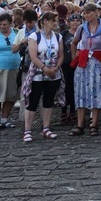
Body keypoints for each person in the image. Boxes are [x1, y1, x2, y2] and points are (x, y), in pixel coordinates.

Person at [20, 12, 64, 143]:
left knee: (49, 100)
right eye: (53, 21)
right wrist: (44, 69)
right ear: (45, 21)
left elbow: (60, 55)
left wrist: (55, 68)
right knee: (33, 100)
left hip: (53, 72)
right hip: (38, 73)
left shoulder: (58, 36)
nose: (55, 24)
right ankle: (27, 129)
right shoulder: (35, 36)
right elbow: (33, 56)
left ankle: (46, 127)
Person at [70, 2, 101, 136]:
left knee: (96, 91)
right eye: (84, 13)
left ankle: (94, 123)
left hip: (97, 64)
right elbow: (74, 43)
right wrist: (75, 57)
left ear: (96, 13)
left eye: (88, 13)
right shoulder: (82, 28)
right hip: (83, 64)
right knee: (81, 92)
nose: (86, 16)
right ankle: (80, 123)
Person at [59, 13, 81, 123]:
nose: (75, 22)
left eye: (77, 20)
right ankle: (63, 110)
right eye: (73, 20)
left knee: (74, 88)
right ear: (69, 22)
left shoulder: (82, 34)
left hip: (77, 64)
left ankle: (73, 110)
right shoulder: (64, 34)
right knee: (64, 88)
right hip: (65, 64)